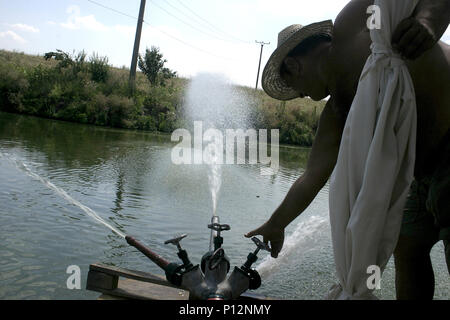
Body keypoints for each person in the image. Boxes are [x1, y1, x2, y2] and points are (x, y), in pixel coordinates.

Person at [246, 0, 450, 300]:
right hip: (417, 173)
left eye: (299, 90)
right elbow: (310, 177)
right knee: (406, 247)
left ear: (293, 65)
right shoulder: (338, 112)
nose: (308, 99)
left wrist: (428, 21)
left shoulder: (353, 24)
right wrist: (276, 225)